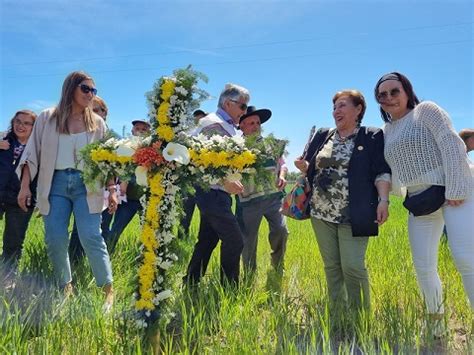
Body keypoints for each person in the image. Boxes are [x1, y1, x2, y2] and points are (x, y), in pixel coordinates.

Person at [374, 72, 474, 335]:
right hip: (420, 200)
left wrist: (455, 187)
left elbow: (452, 144)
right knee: (423, 266)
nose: (388, 98)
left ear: (407, 91)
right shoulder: (386, 131)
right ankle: (437, 327)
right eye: (382, 95)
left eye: (394, 91)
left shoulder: (426, 110)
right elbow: (386, 170)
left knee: (466, 259)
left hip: (456, 191)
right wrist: (384, 198)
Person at [17, 71, 116, 308]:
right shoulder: (47, 118)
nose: (90, 94)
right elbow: (32, 153)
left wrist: (112, 188)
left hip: (87, 184)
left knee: (91, 236)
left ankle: (108, 289)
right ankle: (65, 286)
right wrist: (24, 187)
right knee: (55, 237)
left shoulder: (97, 123)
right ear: (71, 88)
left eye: (94, 90)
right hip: (55, 184)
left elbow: (107, 160)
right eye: (86, 89)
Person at [294, 89, 391, 311]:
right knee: (332, 266)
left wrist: (384, 200)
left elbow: (382, 172)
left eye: (342, 105)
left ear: (358, 109)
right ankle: (338, 313)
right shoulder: (323, 134)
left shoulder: (371, 135)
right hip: (321, 212)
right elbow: (311, 167)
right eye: (335, 107)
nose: (336, 111)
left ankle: (360, 316)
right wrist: (304, 167)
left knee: (353, 267)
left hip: (354, 213)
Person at [184, 83, 250, 286]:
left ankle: (190, 284)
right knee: (234, 240)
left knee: (207, 240)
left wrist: (231, 180)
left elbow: (221, 161)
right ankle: (229, 289)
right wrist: (224, 181)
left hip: (216, 193)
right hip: (210, 192)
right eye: (243, 106)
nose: (244, 112)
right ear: (228, 103)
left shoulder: (226, 124)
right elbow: (204, 160)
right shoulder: (214, 123)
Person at [236, 106, 288, 274]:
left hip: (273, 198)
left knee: (281, 230)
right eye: (251, 123)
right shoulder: (236, 148)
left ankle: (277, 266)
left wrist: (282, 175)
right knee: (248, 239)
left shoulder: (272, 144)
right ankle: (250, 273)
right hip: (248, 202)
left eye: (258, 122)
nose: (255, 126)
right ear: (241, 126)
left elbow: (283, 163)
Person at [69, 95, 112, 262]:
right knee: (79, 227)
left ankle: (98, 262)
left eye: (99, 110)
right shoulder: (80, 133)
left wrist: (113, 189)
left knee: (101, 227)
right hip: (80, 185)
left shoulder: (110, 136)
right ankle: (75, 261)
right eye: (91, 110)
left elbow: (113, 166)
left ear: (105, 113)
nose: (95, 114)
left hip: (104, 188)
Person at [0, 110, 37, 276]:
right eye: (18, 121)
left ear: (34, 127)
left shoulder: (38, 148)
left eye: (27, 123)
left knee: (13, 242)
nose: (21, 126)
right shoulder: (3, 139)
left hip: (21, 199)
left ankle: (7, 277)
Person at [105, 119, 150, 252]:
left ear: (149, 133)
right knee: (117, 228)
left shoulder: (153, 150)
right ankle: (107, 255)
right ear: (132, 131)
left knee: (149, 232)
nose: (140, 132)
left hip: (146, 198)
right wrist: (123, 181)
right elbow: (120, 168)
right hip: (128, 198)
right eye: (137, 128)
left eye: (144, 129)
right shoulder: (124, 146)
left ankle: (144, 259)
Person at [178, 109, 208, 239]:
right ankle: (181, 239)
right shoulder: (187, 135)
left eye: (201, 119)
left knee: (206, 215)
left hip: (204, 182)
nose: (198, 121)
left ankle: (202, 241)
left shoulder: (210, 137)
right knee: (185, 214)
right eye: (196, 119)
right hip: (189, 181)